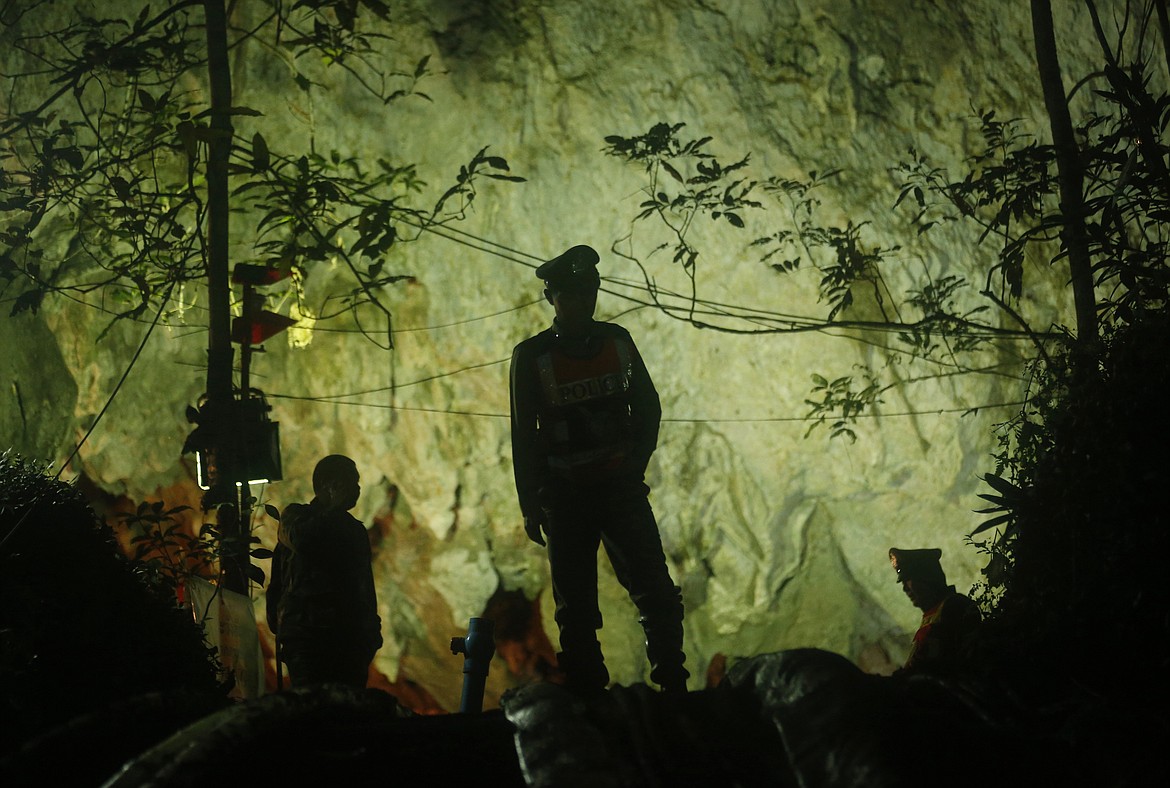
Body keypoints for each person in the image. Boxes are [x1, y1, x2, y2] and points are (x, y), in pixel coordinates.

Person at [509, 244, 689, 695]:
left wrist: (635, 463)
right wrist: (532, 502)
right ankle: (589, 693)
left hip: (618, 487)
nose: (582, 303)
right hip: (565, 494)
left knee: (656, 591)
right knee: (575, 606)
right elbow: (523, 434)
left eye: (588, 292)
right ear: (552, 298)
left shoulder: (617, 340)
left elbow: (648, 406)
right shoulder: (532, 356)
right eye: (572, 295)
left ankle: (673, 681)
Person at [266, 455, 382, 689]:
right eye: (351, 481)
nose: (358, 489)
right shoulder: (296, 517)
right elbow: (305, 541)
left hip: (348, 641)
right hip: (307, 638)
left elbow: (364, 585)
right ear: (329, 485)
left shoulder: (354, 531)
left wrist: (371, 633)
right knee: (313, 710)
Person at [889, 547, 981, 674]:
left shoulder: (954, 606)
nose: (905, 589)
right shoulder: (933, 614)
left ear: (927, 578)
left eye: (908, 580)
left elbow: (938, 663)